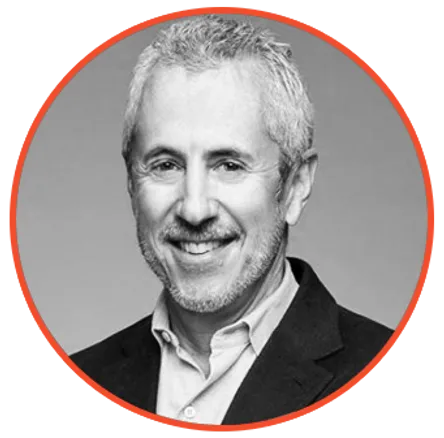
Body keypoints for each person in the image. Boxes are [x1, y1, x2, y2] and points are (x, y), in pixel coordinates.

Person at [70, 15, 393, 425]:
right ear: (132, 183)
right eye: (166, 165)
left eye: (229, 165)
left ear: (295, 186)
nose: (194, 209)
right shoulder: (84, 373)